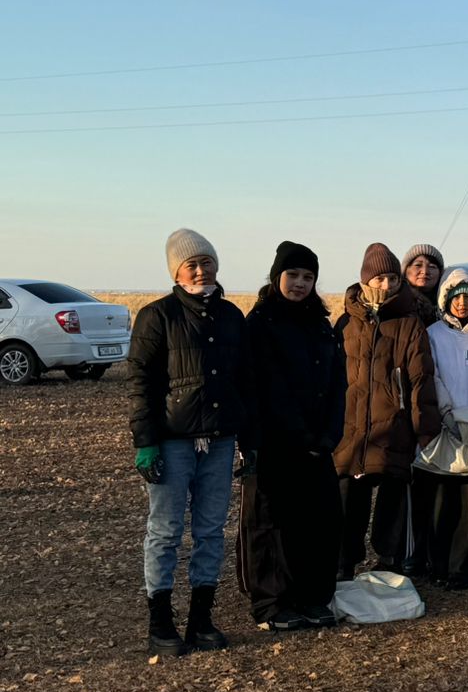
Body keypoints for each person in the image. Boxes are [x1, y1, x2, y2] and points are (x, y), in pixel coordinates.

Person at [130, 228, 254, 655]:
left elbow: (244, 383)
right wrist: (145, 442)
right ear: (176, 271)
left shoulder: (232, 317)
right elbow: (141, 384)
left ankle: (202, 619)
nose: (200, 271)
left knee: (209, 531)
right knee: (164, 531)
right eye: (191, 265)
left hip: (219, 441)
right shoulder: (156, 316)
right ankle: (160, 623)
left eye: (206, 262)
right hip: (172, 442)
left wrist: (247, 439)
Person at [239, 240, 344, 632]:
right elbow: (267, 386)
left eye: (308, 277)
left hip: (320, 444)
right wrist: (299, 434)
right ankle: (273, 602)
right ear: (276, 276)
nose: (300, 283)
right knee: (273, 524)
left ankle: (313, 597)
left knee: (321, 521)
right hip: (276, 443)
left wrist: (330, 434)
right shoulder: (261, 323)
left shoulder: (320, 324)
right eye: (293, 275)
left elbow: (338, 382)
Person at [333, 243, 440, 581]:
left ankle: (389, 562)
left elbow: (421, 378)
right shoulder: (345, 323)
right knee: (348, 498)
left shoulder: (409, 323)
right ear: (366, 281)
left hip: (394, 426)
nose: (386, 285)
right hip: (350, 428)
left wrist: (423, 428)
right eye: (379, 278)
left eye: (393, 279)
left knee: (393, 500)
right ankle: (342, 564)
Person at [415, 268, 468, 589]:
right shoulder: (433, 334)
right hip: (446, 431)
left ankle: (466, 569)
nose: (462, 303)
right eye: (456, 297)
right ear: (446, 300)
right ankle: (438, 566)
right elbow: (431, 375)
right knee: (440, 506)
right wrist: (447, 414)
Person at [401, 243, 445, 326]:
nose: (425, 271)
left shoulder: (450, 304)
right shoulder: (399, 303)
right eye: (418, 265)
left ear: (440, 273)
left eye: (432, 266)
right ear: (405, 270)